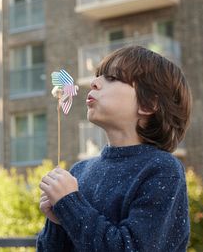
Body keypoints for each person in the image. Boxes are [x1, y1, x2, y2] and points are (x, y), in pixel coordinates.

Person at [37, 45, 191, 251]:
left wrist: (70, 204)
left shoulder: (162, 170)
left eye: (112, 78)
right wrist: (57, 221)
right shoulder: (78, 172)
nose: (93, 83)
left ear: (149, 104)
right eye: (97, 77)